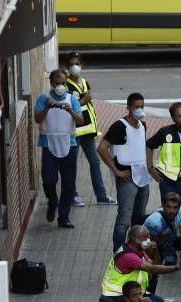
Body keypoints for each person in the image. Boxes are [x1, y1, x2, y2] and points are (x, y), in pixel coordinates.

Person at [99, 92, 152, 251]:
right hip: (127, 179)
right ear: (128, 107)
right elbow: (102, 148)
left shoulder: (143, 126)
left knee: (139, 217)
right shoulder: (119, 126)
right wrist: (116, 171)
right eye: (136, 107)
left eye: (141, 107)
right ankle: (119, 251)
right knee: (124, 219)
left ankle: (135, 248)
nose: (139, 110)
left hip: (142, 178)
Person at [34, 69, 84, 229]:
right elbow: (37, 119)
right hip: (49, 144)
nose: (60, 86)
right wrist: (48, 107)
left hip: (69, 144)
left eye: (63, 83)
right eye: (57, 82)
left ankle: (63, 217)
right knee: (49, 179)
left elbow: (80, 120)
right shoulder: (43, 98)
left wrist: (69, 110)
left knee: (68, 183)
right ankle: (52, 201)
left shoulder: (72, 99)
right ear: (51, 83)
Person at [65, 52, 116, 207]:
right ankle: (72, 195)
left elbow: (90, 106)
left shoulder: (85, 82)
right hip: (74, 132)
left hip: (87, 131)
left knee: (95, 162)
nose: (75, 67)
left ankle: (101, 196)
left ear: (82, 65)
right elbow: (67, 108)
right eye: (72, 64)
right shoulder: (66, 85)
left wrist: (95, 126)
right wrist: (82, 101)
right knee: (71, 165)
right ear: (67, 67)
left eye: (77, 64)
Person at [100, 224, 181, 302]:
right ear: (136, 240)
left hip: (130, 293)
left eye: (149, 237)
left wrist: (155, 250)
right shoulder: (128, 256)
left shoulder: (138, 249)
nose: (149, 240)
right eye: (146, 238)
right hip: (116, 297)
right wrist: (176, 267)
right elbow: (152, 268)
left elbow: (152, 264)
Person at [144, 192, 181, 266]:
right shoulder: (155, 222)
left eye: (175, 207)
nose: (171, 211)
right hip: (149, 242)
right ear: (163, 206)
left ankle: (170, 255)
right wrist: (156, 267)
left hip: (165, 237)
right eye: (168, 207)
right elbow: (152, 247)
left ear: (179, 207)